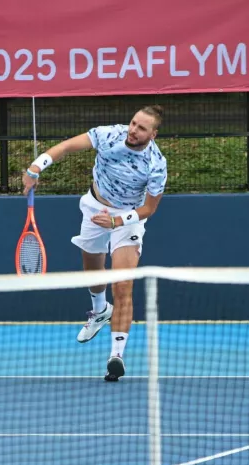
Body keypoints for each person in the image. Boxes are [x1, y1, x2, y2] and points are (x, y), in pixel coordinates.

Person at [22, 105, 168, 382]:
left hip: (128, 218)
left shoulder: (156, 164)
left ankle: (116, 355)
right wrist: (35, 167)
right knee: (93, 272)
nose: (134, 131)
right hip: (94, 207)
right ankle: (100, 311)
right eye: (134, 123)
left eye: (142, 128)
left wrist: (116, 222)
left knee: (123, 284)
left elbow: (149, 208)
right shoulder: (109, 135)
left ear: (154, 134)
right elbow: (65, 147)